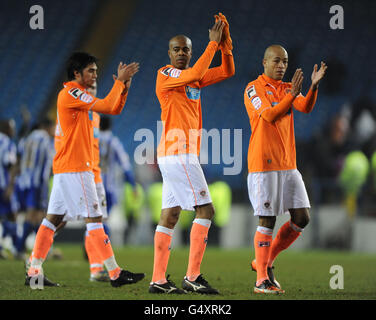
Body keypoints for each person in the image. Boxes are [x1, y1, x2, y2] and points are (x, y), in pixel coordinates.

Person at [25, 52, 145, 288]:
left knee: (53, 220)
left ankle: (34, 271)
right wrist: (118, 82)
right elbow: (108, 104)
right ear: (77, 74)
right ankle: (114, 273)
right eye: (91, 70)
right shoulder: (71, 92)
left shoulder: (74, 95)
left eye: (96, 71)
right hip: (77, 168)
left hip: (66, 168)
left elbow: (112, 109)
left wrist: (124, 88)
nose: (95, 75)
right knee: (94, 218)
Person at [149, 13, 235, 295]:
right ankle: (193, 277)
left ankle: (158, 281)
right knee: (206, 210)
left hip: (177, 155)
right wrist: (212, 44)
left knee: (170, 215)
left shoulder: (193, 81)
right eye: (177, 49)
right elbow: (197, 72)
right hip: (179, 152)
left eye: (186, 49)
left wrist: (225, 44)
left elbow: (227, 71)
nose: (182, 53)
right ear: (169, 53)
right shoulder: (166, 75)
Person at [243, 44, 327, 294]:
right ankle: (261, 281)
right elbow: (269, 115)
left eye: (285, 62)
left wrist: (312, 87)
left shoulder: (285, 88)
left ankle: (265, 261)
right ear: (265, 62)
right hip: (264, 162)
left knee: (301, 218)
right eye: (277, 61)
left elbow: (306, 107)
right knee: (267, 219)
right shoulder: (253, 88)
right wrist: (292, 94)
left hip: (288, 164)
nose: (281, 66)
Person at [14, 118, 56, 257]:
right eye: (53, 127)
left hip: (24, 181)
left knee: (36, 216)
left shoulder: (28, 138)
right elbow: (51, 161)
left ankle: (40, 249)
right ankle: (21, 248)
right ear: (47, 127)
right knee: (35, 215)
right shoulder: (44, 139)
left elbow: (18, 155)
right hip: (38, 182)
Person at [0, 119, 19, 258]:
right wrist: (10, 186)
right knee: (12, 215)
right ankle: (15, 248)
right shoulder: (7, 142)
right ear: (6, 128)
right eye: (12, 127)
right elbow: (10, 164)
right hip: (2, 184)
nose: (13, 130)